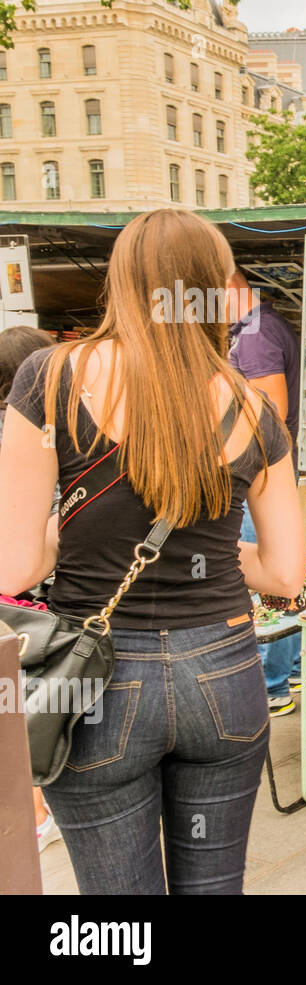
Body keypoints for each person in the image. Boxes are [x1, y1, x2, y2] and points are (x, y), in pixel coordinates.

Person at [0, 208, 305, 894]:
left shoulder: (51, 377)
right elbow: (285, 571)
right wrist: (223, 559)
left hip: (95, 680)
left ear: (121, 281)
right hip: (223, 675)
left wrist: (80, 530)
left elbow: (14, 567)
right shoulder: (250, 405)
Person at [226, 269, 306, 717]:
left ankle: (273, 683)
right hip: (269, 477)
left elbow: (269, 412)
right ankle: (289, 670)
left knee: (267, 579)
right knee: (281, 576)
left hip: (258, 480)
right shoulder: (263, 327)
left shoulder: (254, 336)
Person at [0, 325, 62, 853]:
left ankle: (37, 810)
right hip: (67, 596)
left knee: (14, 707)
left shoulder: (13, 430)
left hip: (17, 596)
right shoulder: (78, 424)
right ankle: (50, 804)